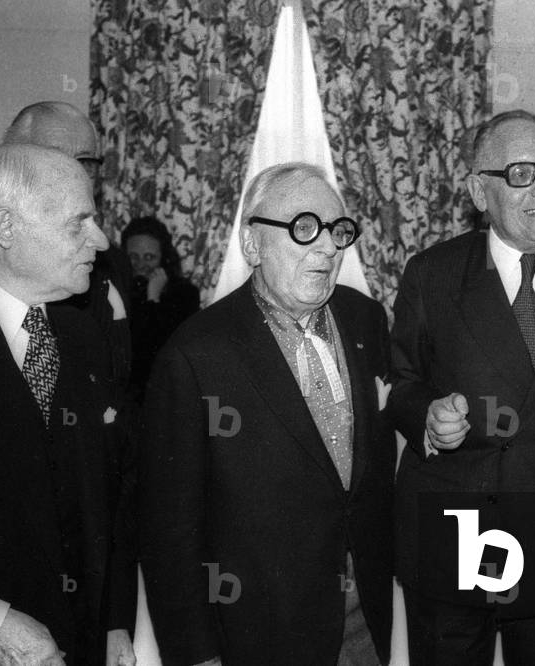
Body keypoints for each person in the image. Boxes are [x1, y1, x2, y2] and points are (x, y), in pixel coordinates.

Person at [390, 109, 535, 665]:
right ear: (479, 190)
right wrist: (426, 416)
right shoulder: (432, 274)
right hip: (455, 530)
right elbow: (401, 383)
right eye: (522, 173)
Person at [138, 163, 394, 664]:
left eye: (338, 231)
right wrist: (195, 654)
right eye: (304, 229)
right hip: (256, 630)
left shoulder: (365, 319)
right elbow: (169, 528)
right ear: (253, 245)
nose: (327, 247)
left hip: (363, 620)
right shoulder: (195, 355)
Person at [0, 144, 136, 664]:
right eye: (78, 222)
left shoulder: (82, 332)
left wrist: (113, 622)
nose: (101, 240)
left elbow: (110, 490)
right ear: (7, 228)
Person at [3, 101, 135, 391]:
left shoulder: (112, 261)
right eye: (54, 157)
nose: (72, 172)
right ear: (9, 164)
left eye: (85, 161)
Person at [120, 216, 199, 403]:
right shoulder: (119, 289)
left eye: (149, 257)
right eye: (133, 257)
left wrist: (153, 297)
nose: (140, 265)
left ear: (163, 258)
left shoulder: (184, 294)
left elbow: (156, 349)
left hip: (163, 391)